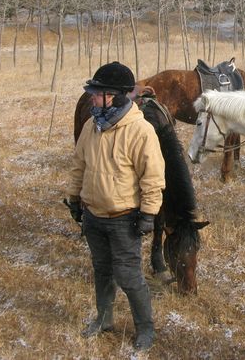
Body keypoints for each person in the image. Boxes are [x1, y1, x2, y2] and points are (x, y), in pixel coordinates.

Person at [65, 61, 165, 352]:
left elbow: (153, 177)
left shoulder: (140, 131)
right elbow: (78, 166)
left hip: (124, 219)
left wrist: (148, 213)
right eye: (92, 93)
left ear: (117, 96)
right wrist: (74, 198)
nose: (91, 98)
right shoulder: (91, 125)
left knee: (129, 276)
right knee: (101, 270)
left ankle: (145, 329)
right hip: (94, 216)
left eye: (97, 93)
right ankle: (104, 319)